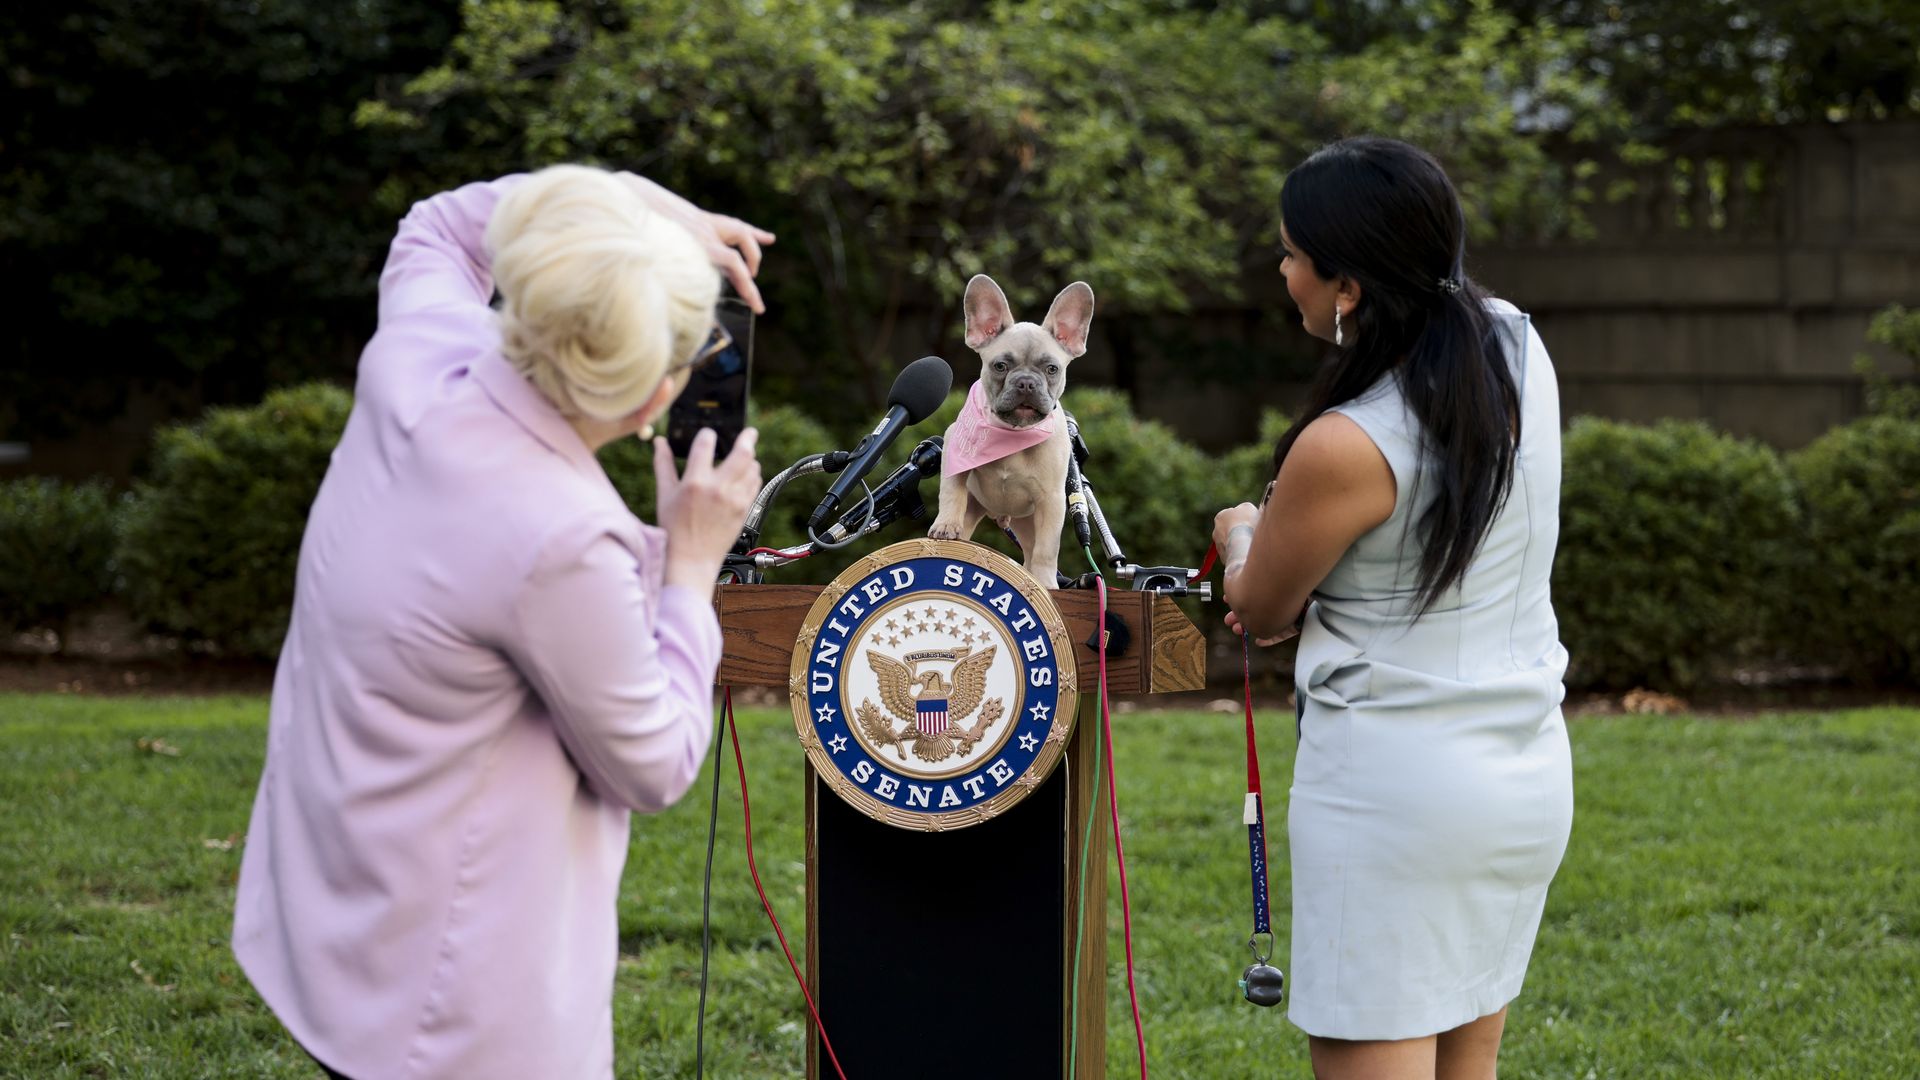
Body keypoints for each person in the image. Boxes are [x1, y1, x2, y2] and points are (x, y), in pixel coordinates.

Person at [231, 164, 775, 1079]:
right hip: (447, 1009)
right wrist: (689, 565)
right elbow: (654, 762)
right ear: (654, 399)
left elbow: (440, 225)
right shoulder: (562, 534)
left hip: (333, 905)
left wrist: (637, 208)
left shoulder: (420, 350)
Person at [1211, 136, 1573, 1080]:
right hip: (1524, 776)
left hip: (1394, 802)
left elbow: (1262, 608)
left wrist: (1242, 530)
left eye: (1292, 253)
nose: (1281, 270)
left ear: (1349, 288)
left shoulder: (1345, 444)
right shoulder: (1516, 345)